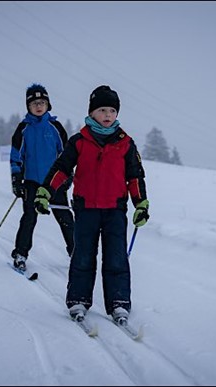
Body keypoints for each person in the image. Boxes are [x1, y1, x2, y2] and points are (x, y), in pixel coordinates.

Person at [34, 85, 149, 324]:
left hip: (115, 210)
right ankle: (78, 300)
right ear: (91, 113)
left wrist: (140, 204)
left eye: (112, 110)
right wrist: (45, 191)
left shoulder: (126, 143)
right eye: (102, 110)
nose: (107, 115)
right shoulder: (79, 141)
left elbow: (135, 176)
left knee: (116, 258)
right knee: (83, 256)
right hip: (86, 208)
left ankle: (118, 302)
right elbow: (62, 169)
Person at [9, 83, 75, 272]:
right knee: (29, 217)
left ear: (48, 105)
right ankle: (20, 254)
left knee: (65, 218)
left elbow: (66, 154)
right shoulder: (23, 129)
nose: (39, 106)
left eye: (42, 103)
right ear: (28, 106)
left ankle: (77, 253)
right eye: (34, 103)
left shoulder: (55, 127)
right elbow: (16, 156)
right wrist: (16, 179)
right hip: (31, 183)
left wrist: (68, 175)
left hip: (54, 183)